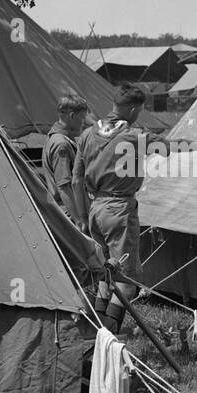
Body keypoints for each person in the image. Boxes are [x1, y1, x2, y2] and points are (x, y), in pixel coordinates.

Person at [74, 83, 152, 335]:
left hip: (95, 208)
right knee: (127, 281)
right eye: (138, 111)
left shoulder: (87, 134)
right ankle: (109, 338)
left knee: (106, 274)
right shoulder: (133, 135)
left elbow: (76, 180)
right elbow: (173, 145)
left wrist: (83, 217)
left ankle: (94, 331)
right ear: (131, 109)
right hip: (119, 210)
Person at [43, 93, 90, 223]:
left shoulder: (54, 137)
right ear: (72, 116)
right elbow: (63, 187)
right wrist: (79, 220)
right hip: (70, 215)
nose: (83, 122)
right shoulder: (61, 145)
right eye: (82, 118)